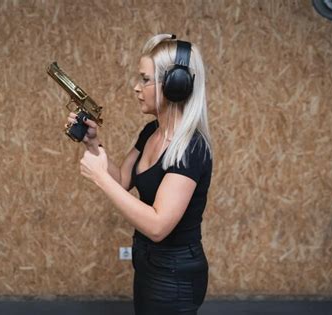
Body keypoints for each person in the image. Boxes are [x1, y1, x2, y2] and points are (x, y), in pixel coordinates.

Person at [66, 33, 213, 315]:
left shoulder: (191, 148)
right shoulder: (150, 133)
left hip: (176, 275)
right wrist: (93, 143)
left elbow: (158, 226)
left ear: (176, 85)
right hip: (148, 263)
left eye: (145, 80)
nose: (136, 87)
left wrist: (100, 178)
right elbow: (122, 180)